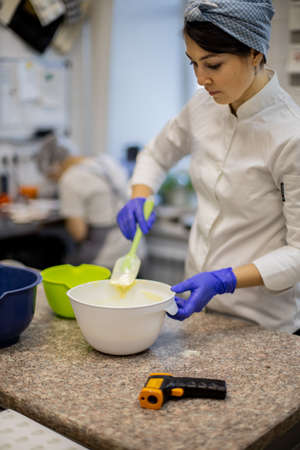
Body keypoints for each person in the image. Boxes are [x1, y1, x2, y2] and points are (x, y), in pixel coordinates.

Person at [116, 0, 300, 334]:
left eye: (213, 65)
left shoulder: (291, 136)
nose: (201, 80)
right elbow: (157, 154)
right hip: (199, 315)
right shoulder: (204, 104)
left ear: (255, 54)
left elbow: (298, 253)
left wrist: (225, 279)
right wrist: (139, 194)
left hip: (261, 324)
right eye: (193, 64)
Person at [35, 133, 133, 270]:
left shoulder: (70, 178)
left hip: (106, 257)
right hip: (133, 250)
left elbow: (78, 233)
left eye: (52, 177)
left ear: (55, 166)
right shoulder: (105, 161)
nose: (54, 181)